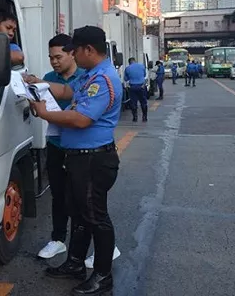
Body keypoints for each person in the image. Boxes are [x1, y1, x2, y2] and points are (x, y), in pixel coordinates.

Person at [29, 25, 122, 296]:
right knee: (78, 213)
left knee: (96, 218)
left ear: (88, 50)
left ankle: (103, 275)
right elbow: (67, 92)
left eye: (75, 51)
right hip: (80, 159)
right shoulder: (91, 76)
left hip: (94, 160)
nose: (73, 57)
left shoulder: (103, 80)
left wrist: (45, 114)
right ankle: (75, 263)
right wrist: (40, 85)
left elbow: (81, 119)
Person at [25, 34, 85, 259]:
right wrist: (33, 104)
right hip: (55, 144)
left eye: (58, 57)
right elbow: (39, 109)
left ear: (72, 53)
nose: (54, 62)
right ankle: (58, 239)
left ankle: (88, 246)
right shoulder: (48, 78)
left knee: (80, 198)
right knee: (58, 195)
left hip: (80, 148)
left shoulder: (85, 78)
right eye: (51, 58)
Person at [124, 57, 148, 122]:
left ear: (129, 62)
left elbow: (126, 79)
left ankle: (135, 117)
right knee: (143, 102)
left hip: (132, 87)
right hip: (141, 86)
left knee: (133, 102)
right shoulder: (142, 66)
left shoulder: (127, 68)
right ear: (135, 61)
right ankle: (144, 117)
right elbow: (144, 75)